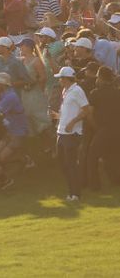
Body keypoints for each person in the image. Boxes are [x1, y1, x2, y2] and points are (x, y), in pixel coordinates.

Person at [50, 66, 90, 201]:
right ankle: (72, 191)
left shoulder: (77, 91)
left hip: (72, 134)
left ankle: (75, 194)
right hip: (61, 132)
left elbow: (86, 110)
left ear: (66, 79)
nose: (59, 81)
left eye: (60, 78)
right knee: (62, 164)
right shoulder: (65, 91)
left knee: (71, 164)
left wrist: (73, 122)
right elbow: (68, 111)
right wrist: (57, 116)